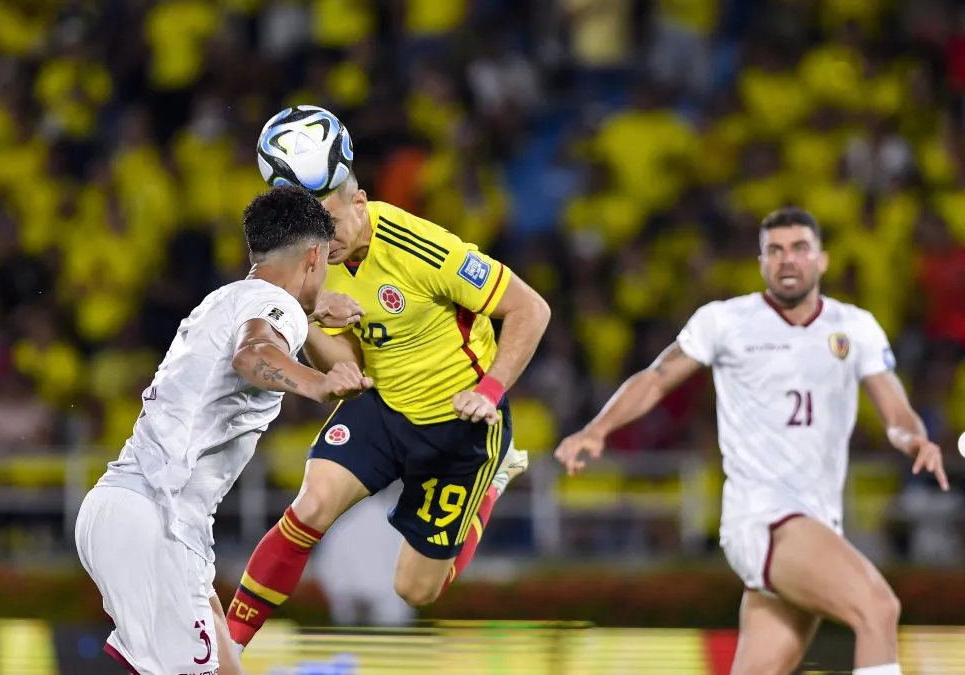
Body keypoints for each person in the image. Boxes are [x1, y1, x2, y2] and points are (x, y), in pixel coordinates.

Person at [554, 207, 948, 675]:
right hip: (764, 517)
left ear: (821, 260)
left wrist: (914, 440)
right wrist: (598, 428)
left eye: (799, 249)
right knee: (877, 608)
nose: (787, 260)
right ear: (761, 262)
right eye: (775, 250)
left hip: (817, 525)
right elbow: (657, 378)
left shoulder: (854, 326)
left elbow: (895, 407)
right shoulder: (726, 321)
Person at [226, 167, 551, 649]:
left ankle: (492, 483)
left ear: (360, 202)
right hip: (384, 404)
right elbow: (348, 370)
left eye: (332, 223)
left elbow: (532, 309)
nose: (324, 241)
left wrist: (490, 390)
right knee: (309, 507)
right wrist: (310, 315)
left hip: (459, 423)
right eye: (316, 230)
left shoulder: (424, 249)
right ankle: (225, 651)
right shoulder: (318, 258)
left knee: (415, 590)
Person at [75, 185, 373, 675]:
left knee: (225, 664)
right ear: (316, 256)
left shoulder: (224, 300)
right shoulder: (274, 308)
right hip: (155, 513)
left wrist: (311, 310)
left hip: (146, 514)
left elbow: (253, 330)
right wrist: (321, 385)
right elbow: (253, 353)